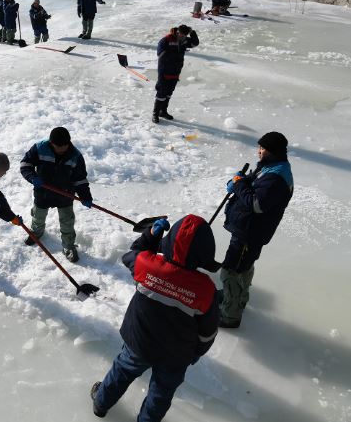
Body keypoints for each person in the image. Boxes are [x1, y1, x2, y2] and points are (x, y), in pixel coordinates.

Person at [91, 215, 219, 421]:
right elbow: (208, 332)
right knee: (161, 394)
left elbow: (132, 254)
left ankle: (101, 403)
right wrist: (197, 352)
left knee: (122, 371)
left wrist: (150, 236)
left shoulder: (146, 264)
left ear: (169, 241)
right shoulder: (206, 290)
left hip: (140, 343)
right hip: (176, 356)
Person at [219, 132, 294, 328]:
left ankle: (230, 315)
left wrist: (239, 185)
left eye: (262, 148)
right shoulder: (272, 166)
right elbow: (252, 183)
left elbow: (257, 204)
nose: (259, 151)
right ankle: (236, 298)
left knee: (231, 270)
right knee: (243, 265)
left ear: (272, 151)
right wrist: (240, 180)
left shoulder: (277, 177)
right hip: (249, 229)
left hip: (250, 231)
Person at [20, 127, 92, 263]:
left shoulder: (75, 156)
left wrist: (85, 196)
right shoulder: (39, 148)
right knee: (38, 216)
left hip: (65, 194)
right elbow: (25, 164)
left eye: (64, 146)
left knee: (67, 222)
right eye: (57, 146)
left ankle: (68, 246)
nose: (61, 149)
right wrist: (32, 176)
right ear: (51, 142)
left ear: (68, 143)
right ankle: (36, 232)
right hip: (43, 192)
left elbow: (80, 179)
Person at [152, 25, 199, 124]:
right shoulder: (165, 40)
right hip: (164, 70)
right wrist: (174, 53)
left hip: (176, 71)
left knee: (169, 92)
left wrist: (192, 32)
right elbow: (160, 54)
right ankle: (155, 114)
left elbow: (195, 43)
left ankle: (163, 112)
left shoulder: (184, 40)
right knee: (161, 92)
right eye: (181, 36)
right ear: (177, 32)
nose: (183, 38)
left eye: (185, 36)